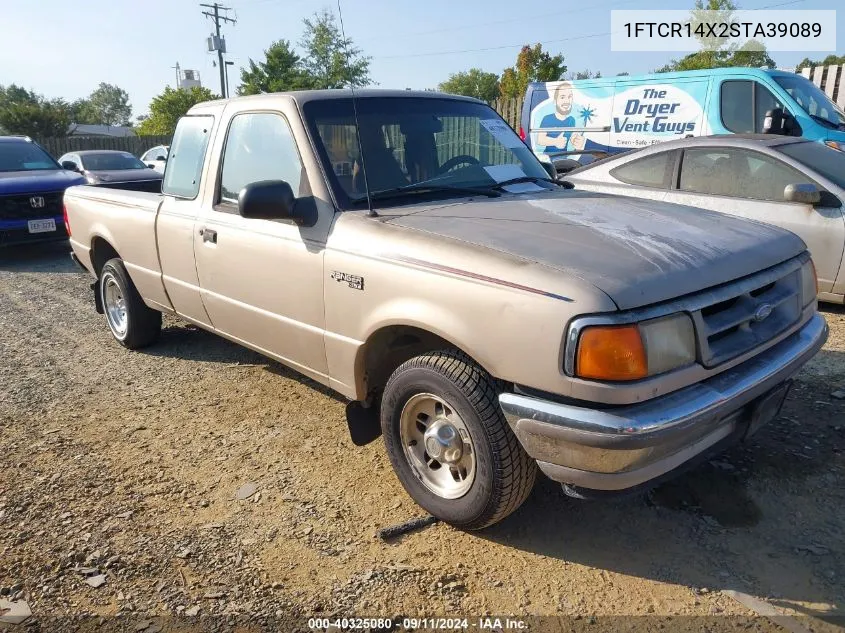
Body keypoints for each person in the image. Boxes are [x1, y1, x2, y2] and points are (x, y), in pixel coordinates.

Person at [537, 82, 586, 154]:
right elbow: (540, 139)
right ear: (555, 101)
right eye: (562, 97)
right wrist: (555, 141)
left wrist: (576, 141)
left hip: (564, 159)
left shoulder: (571, 120)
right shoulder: (547, 118)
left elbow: (572, 136)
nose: (567, 101)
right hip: (548, 158)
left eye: (569, 97)